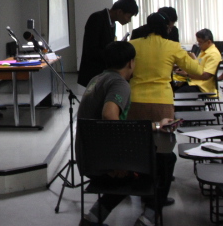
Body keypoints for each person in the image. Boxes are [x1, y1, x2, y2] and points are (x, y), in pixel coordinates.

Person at [75, 41, 177, 226]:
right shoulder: (119, 83)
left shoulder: (96, 79)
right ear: (131, 62)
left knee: (134, 169)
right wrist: (119, 160)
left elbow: (121, 125)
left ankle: (94, 217)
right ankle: (149, 217)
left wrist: (156, 126)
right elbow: (109, 115)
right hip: (104, 165)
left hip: (87, 160)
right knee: (165, 159)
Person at [128, 12, 202, 122]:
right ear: (166, 27)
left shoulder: (132, 44)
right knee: (163, 132)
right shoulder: (173, 46)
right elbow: (197, 71)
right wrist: (195, 59)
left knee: (137, 132)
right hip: (162, 100)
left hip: (135, 99)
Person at [78, 0, 139, 87]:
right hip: (94, 72)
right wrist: (114, 53)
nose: (129, 20)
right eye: (128, 17)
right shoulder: (97, 18)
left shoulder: (112, 23)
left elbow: (106, 44)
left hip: (103, 72)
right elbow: (91, 49)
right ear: (119, 12)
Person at [173, 29, 221, 94]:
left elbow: (205, 76)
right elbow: (198, 65)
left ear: (209, 42)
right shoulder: (204, 51)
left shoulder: (213, 55)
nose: (199, 45)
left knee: (176, 94)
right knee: (173, 88)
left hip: (202, 87)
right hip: (194, 82)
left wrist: (187, 74)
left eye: (200, 42)